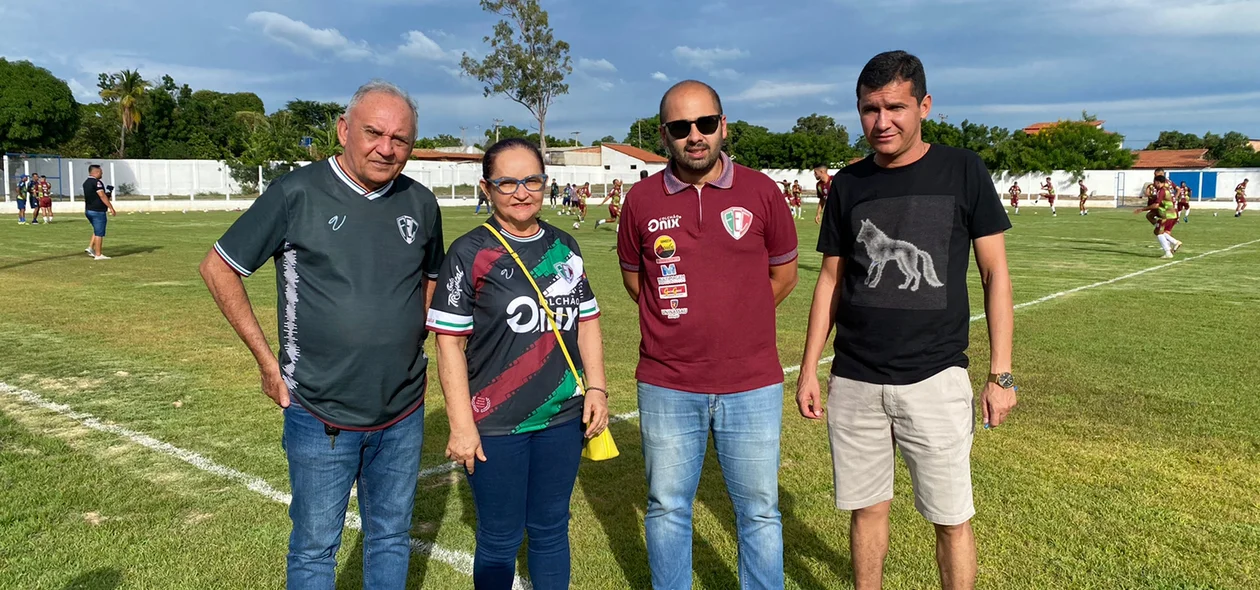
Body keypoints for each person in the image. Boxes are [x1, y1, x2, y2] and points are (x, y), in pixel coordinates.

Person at [198, 81, 445, 590]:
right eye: (373, 132)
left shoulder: (420, 202)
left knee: (392, 536)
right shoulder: (296, 193)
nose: (386, 147)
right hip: (319, 410)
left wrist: (402, 343)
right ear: (343, 129)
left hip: (402, 410)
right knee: (314, 549)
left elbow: (430, 281)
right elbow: (218, 268)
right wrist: (269, 363)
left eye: (401, 138)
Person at [797, 50, 1016, 590]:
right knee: (866, 510)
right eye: (869, 110)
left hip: (936, 378)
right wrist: (807, 370)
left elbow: (996, 276)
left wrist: (1001, 374)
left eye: (895, 107)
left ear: (925, 105)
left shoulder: (963, 169)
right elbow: (829, 280)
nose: (882, 122)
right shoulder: (848, 185)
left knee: (950, 519)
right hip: (854, 380)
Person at [617, 79, 799, 590]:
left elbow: (783, 277)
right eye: (680, 127)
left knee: (760, 512)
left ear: (723, 125)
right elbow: (639, 283)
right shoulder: (640, 200)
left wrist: (740, 316)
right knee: (668, 507)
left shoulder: (762, 191)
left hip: (753, 383)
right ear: (664, 135)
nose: (693, 136)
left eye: (704, 123)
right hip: (668, 384)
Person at [428, 138, 609, 590]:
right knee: (500, 537)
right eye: (506, 182)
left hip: (563, 417)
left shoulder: (564, 245)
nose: (521, 191)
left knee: (551, 530)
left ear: (545, 183)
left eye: (531, 180)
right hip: (495, 423)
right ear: (487, 189)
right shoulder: (470, 252)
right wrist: (461, 425)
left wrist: (599, 389)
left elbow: (586, 322)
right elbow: (447, 343)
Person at [1134, 172, 1182, 258]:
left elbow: (1156, 205)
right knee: (1158, 230)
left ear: (1158, 182)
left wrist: (1142, 209)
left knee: (1159, 233)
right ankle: (1175, 242)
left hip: (1166, 215)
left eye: (1154, 182)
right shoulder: (1165, 189)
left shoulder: (1162, 190)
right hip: (1171, 214)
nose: (1154, 184)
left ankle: (1168, 252)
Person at [82, 166, 117, 259]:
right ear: (96, 172)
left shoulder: (86, 182)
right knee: (99, 233)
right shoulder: (97, 182)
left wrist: (107, 194)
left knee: (97, 229)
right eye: (101, 172)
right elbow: (102, 196)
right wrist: (111, 207)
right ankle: (98, 254)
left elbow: (96, 196)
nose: (102, 174)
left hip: (89, 210)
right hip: (98, 210)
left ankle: (90, 247)